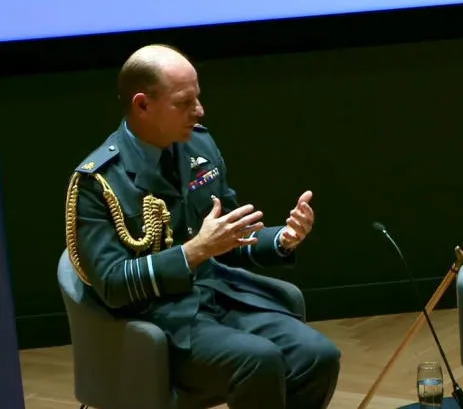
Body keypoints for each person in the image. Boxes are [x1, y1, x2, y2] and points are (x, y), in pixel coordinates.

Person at [64, 44, 341, 409]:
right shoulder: (98, 183)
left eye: (198, 98)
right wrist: (194, 252)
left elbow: (225, 234)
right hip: (160, 321)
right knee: (258, 361)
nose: (199, 110)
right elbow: (113, 285)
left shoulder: (199, 145)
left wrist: (281, 240)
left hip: (218, 297)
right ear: (142, 105)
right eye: (184, 102)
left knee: (318, 355)